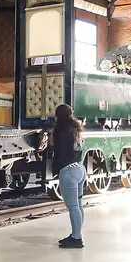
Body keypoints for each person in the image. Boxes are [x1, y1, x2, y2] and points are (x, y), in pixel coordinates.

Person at [51, 103, 86, 249]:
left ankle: (77, 239)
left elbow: (59, 152)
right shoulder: (76, 128)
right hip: (79, 168)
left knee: (73, 207)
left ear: (57, 116)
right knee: (78, 205)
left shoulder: (60, 130)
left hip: (68, 172)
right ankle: (76, 234)